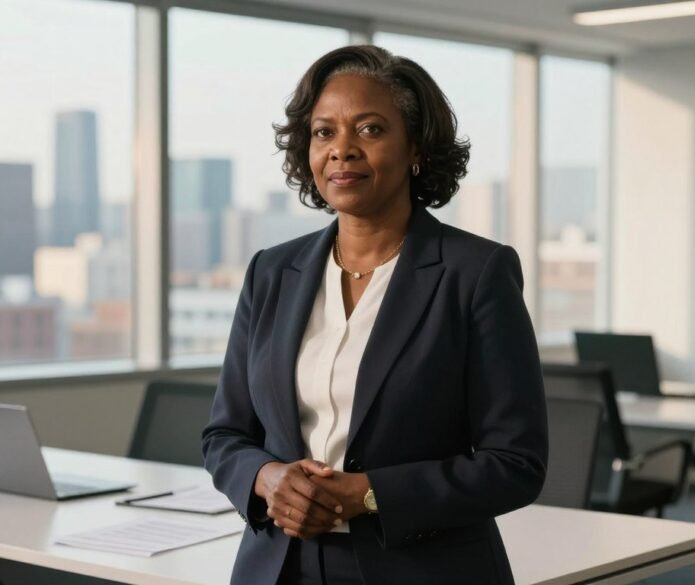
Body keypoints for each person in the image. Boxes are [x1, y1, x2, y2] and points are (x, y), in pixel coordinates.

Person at [202, 45, 547, 585]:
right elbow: (225, 434)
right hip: (279, 566)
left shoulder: (476, 273)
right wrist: (268, 479)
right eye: (324, 133)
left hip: (420, 567)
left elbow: (516, 465)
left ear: (415, 148)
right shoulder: (271, 272)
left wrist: (367, 495)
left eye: (369, 130)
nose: (342, 150)